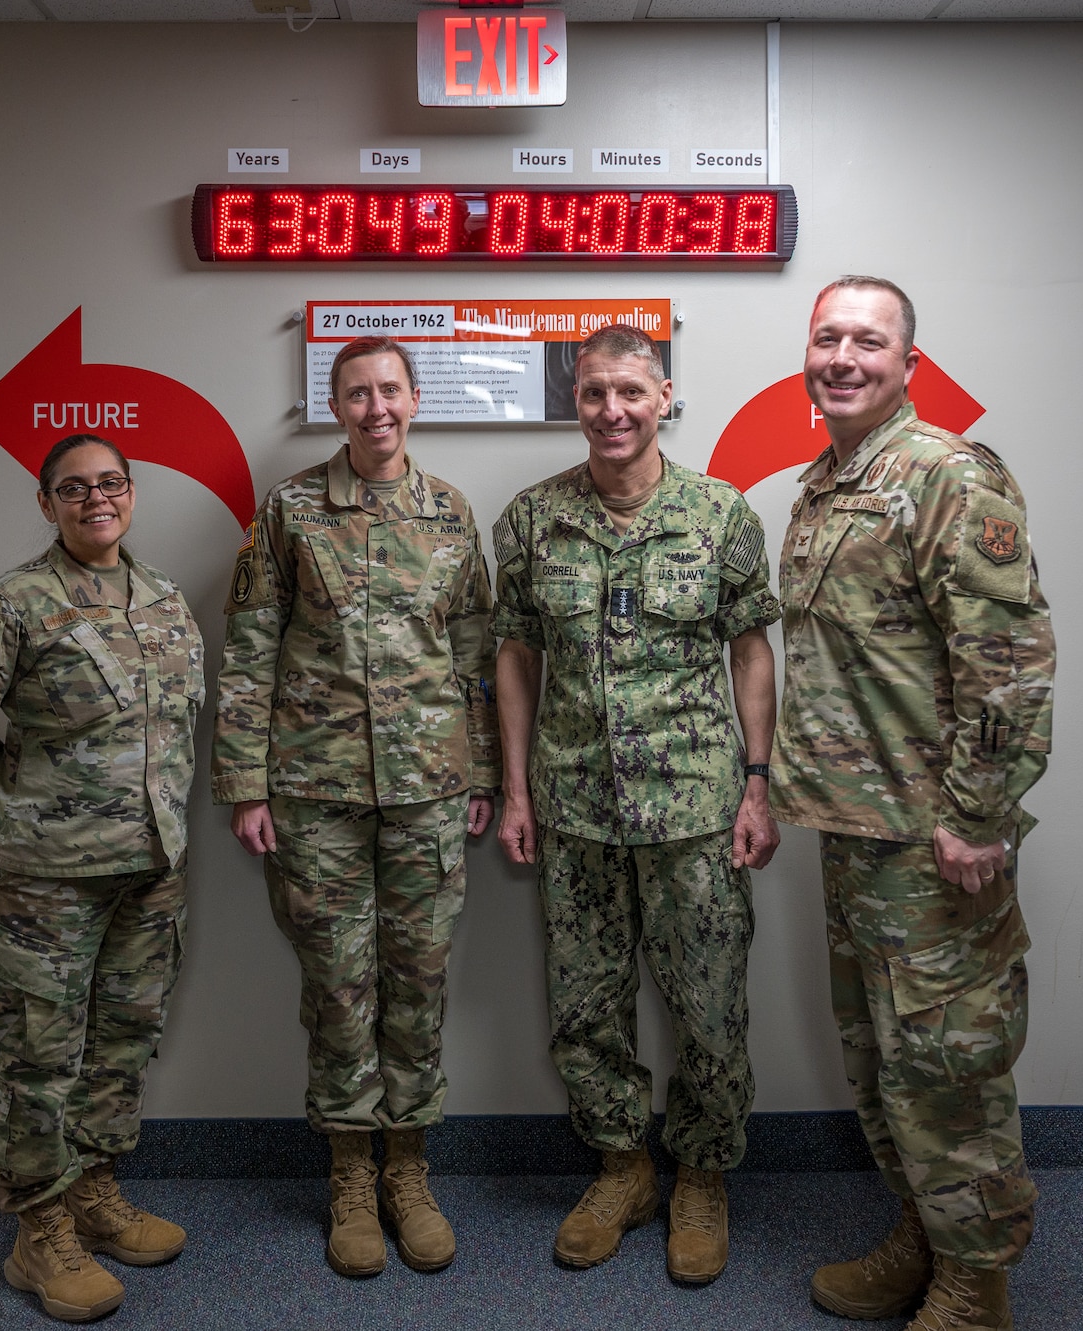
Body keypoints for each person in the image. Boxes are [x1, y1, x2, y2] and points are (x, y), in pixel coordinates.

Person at [773, 277, 1055, 1331]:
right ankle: (924, 1235)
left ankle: (974, 1286)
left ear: (906, 362)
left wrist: (977, 815)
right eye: (826, 337)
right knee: (882, 1060)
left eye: (866, 339)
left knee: (949, 1067)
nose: (842, 355)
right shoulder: (828, 482)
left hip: (933, 839)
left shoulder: (944, 473)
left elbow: (1010, 662)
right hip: (857, 827)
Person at [492, 322, 781, 1286]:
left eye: (630, 392)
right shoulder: (533, 520)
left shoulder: (721, 514)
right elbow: (517, 658)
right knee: (585, 1006)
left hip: (697, 807)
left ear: (664, 397)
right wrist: (518, 788)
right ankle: (622, 1168)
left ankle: (700, 1174)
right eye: (593, 395)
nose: (612, 412)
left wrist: (756, 781)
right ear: (574, 403)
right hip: (575, 807)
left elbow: (750, 651)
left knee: (710, 1003)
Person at [213, 336, 499, 1278]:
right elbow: (251, 648)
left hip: (427, 791)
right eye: (355, 392)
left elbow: (473, 658)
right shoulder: (291, 510)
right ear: (334, 405)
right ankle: (348, 1171)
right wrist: (244, 782)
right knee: (338, 988)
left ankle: (407, 1170)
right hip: (315, 793)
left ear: (417, 398)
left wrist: (486, 772)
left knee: (416, 983)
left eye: (390, 390)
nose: (376, 407)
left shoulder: (451, 513)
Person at [0, 433, 202, 1323]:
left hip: (147, 873)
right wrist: (13, 815)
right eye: (74, 489)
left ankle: (95, 1194)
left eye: (110, 483)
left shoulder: (163, 599)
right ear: (47, 504)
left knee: (121, 1042)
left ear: (132, 493)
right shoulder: (14, 604)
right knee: (36, 1056)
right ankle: (39, 1232)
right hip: (41, 886)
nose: (95, 500)